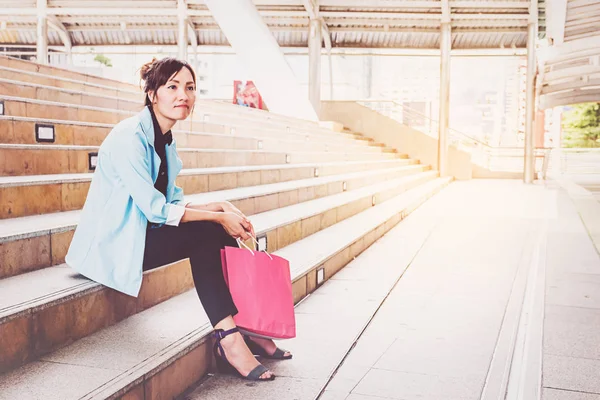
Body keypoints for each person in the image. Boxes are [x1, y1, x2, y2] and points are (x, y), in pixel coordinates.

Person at [65, 57, 291, 382]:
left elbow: (172, 203)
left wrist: (220, 207)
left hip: (141, 235)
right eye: (172, 87)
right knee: (205, 233)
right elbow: (156, 209)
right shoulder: (131, 137)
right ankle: (230, 340)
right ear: (153, 94)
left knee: (211, 230)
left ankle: (242, 327)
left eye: (189, 87)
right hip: (115, 245)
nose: (182, 94)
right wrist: (217, 218)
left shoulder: (165, 139)